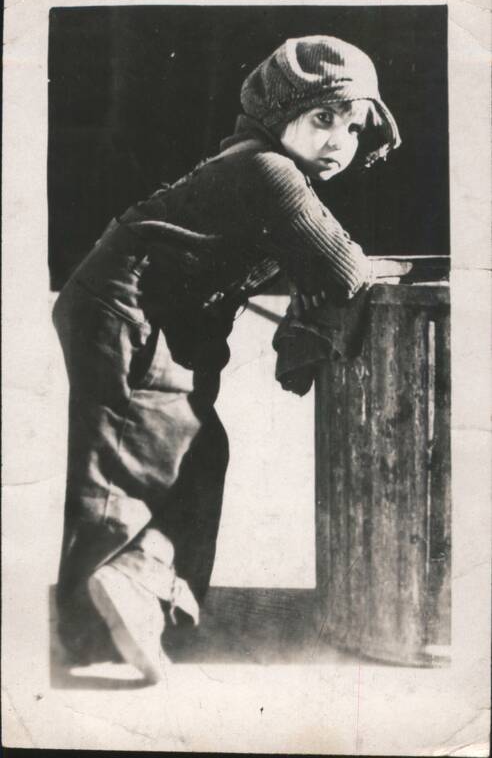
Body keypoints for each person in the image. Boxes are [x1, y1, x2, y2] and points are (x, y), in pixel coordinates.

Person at [52, 34, 409, 683]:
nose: (339, 139)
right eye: (323, 117)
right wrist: (360, 275)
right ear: (277, 113)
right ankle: (89, 625)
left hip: (158, 313)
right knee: (128, 465)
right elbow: (340, 267)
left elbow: (318, 268)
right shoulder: (268, 170)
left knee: (196, 453)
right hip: (124, 307)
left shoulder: (269, 170)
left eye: (354, 127)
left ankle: (135, 580)